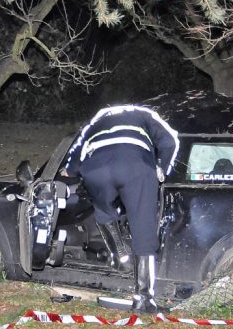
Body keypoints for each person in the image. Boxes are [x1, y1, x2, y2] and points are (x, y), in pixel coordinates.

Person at [61, 104, 179, 314]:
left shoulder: (98, 119)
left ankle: (120, 257)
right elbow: (170, 141)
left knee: (104, 211)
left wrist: (70, 169)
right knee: (143, 227)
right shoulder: (145, 114)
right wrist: (162, 169)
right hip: (136, 166)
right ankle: (144, 299)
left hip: (97, 168)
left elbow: (77, 150)